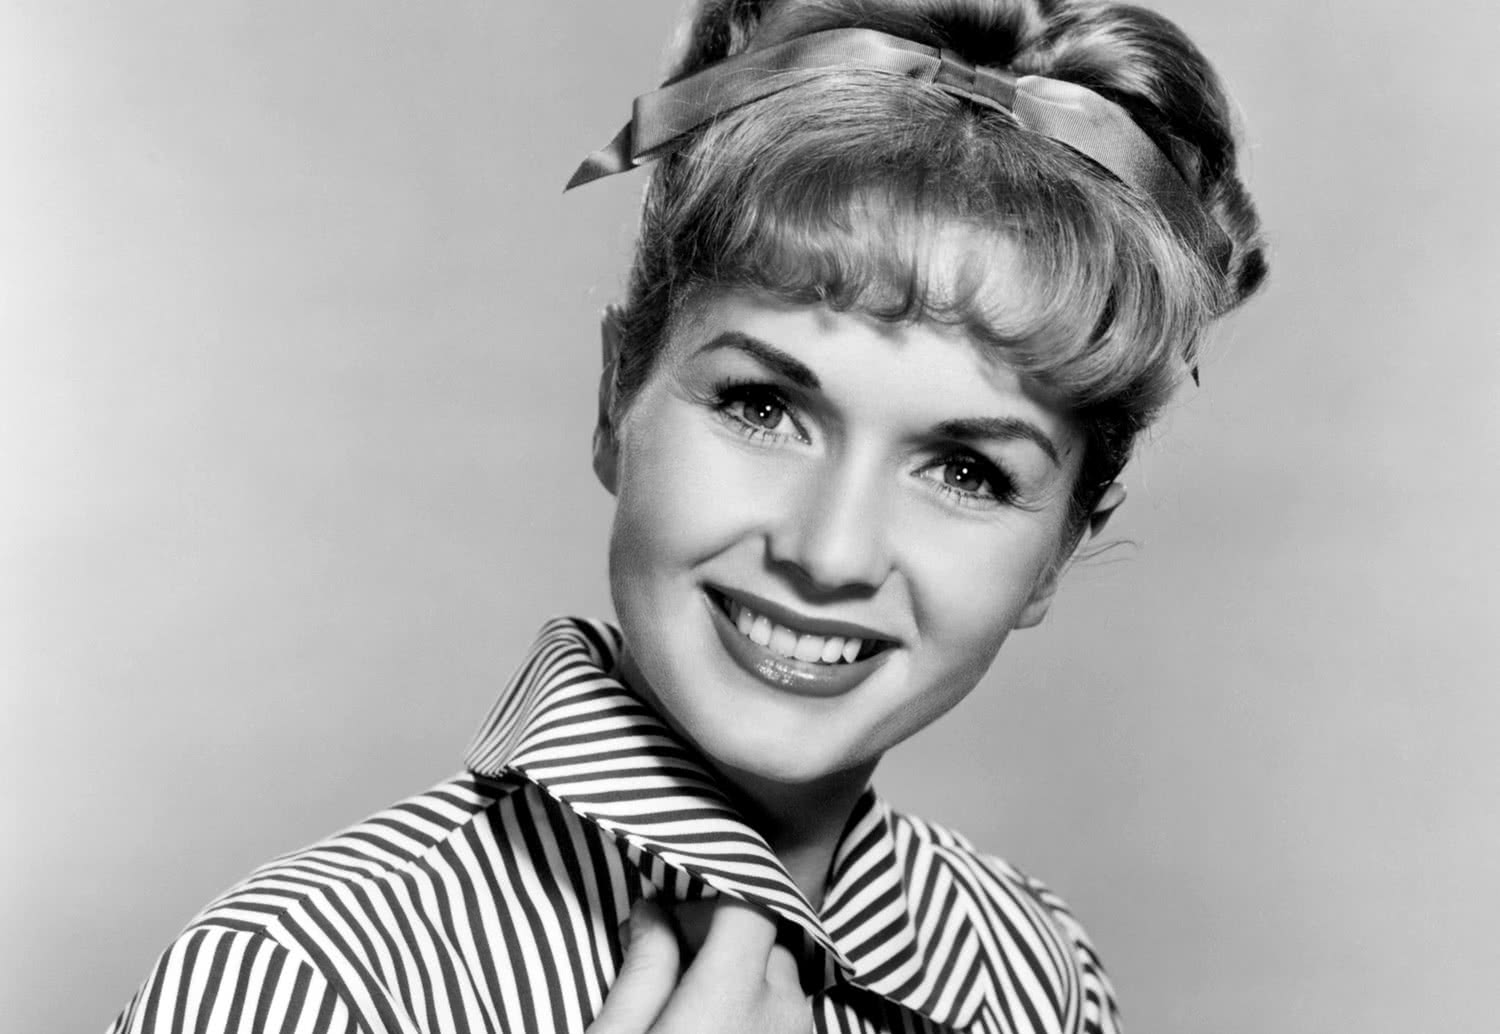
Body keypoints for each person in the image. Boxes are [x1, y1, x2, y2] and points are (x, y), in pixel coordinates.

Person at [107, 1, 1266, 1031]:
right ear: (618, 395)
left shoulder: (1034, 973)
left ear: (1059, 548)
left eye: (966, 470)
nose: (828, 551)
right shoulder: (302, 980)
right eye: (763, 406)